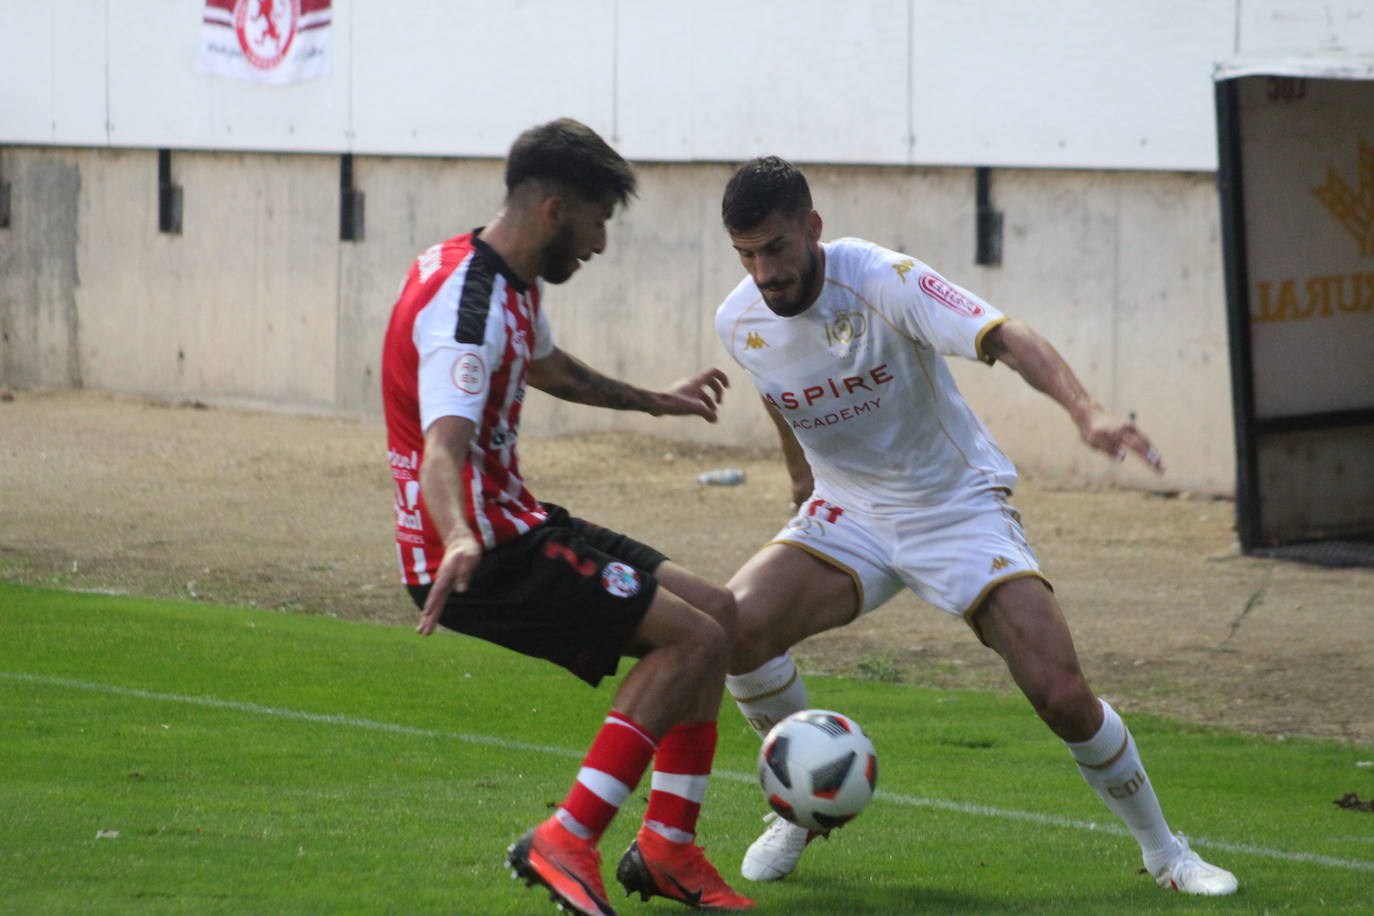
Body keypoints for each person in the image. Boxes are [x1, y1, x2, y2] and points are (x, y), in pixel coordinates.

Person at [712, 156, 1238, 897]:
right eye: (746, 254)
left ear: (812, 227)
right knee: (733, 627)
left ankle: (1166, 852)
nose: (764, 271)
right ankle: (801, 804)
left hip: (952, 505)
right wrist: (802, 481)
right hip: (850, 511)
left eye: (775, 248)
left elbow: (1006, 334)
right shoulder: (738, 320)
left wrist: (1086, 411)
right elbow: (778, 391)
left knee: (1059, 691)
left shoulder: (882, 277)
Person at [381, 118, 753, 915]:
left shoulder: (509, 275)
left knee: (716, 615)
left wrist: (658, 401)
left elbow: (551, 369)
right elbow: (441, 449)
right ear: (555, 209)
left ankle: (668, 851)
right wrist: (455, 537)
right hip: (485, 555)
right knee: (688, 641)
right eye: (597, 222)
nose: (600, 244)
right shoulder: (467, 309)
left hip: (520, 522)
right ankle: (568, 837)